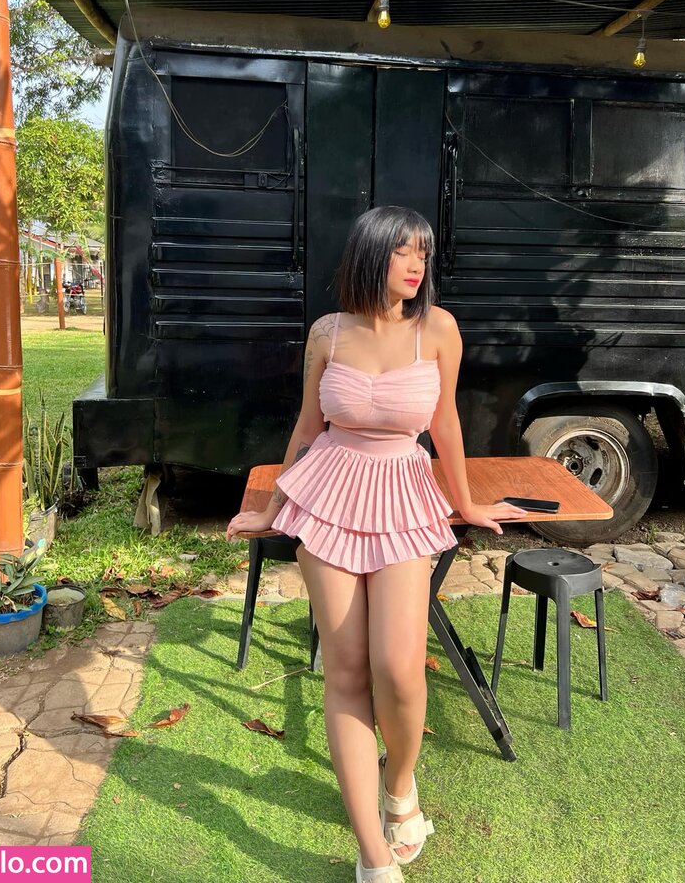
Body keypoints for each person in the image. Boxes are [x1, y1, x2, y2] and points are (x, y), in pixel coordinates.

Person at [226, 205, 526, 883]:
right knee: (346, 673)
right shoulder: (327, 332)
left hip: (402, 496)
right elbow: (308, 426)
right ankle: (373, 853)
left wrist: (466, 503)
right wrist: (271, 507)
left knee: (399, 668)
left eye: (423, 252)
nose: (417, 264)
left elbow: (445, 424)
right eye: (403, 251)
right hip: (328, 493)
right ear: (370, 254)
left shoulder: (438, 329)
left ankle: (401, 783)